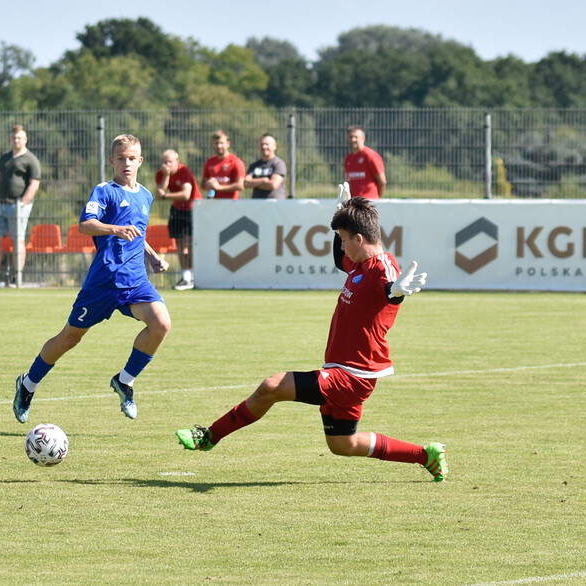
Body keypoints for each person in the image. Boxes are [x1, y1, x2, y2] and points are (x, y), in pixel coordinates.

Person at [175, 183, 446, 482]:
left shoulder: (382, 268)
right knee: (343, 444)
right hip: (346, 369)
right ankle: (426, 455)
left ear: (359, 238)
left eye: (344, 239)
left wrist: (396, 292)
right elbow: (337, 260)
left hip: (353, 374)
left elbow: (389, 290)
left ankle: (209, 436)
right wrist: (339, 215)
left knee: (272, 386)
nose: (341, 246)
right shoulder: (359, 264)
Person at [13, 134, 171, 424]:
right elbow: (85, 225)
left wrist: (152, 255)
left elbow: (138, 232)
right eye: (120, 158)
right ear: (111, 160)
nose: (126, 163)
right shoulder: (105, 191)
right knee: (69, 338)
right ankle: (27, 384)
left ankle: (125, 381)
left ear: (140, 161)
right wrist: (115, 229)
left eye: (131, 158)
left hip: (135, 280)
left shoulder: (146, 195)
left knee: (161, 324)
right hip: (103, 282)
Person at [0, 125, 41, 288]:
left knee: (18, 240)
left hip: (18, 207)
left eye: (19, 138)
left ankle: (18, 278)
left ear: (25, 139)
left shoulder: (31, 159)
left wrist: (23, 203)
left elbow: (34, 184)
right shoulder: (4, 158)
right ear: (11, 139)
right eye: (14, 138)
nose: (16, 140)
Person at [155, 149, 201, 290]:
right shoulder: (161, 174)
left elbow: (186, 195)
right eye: (165, 162)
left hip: (192, 209)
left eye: (170, 162)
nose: (167, 165)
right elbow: (158, 193)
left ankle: (193, 276)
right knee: (180, 244)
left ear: (177, 161)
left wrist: (165, 197)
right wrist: (167, 176)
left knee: (190, 244)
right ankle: (185, 277)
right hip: (177, 210)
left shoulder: (185, 171)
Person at [200, 130, 245, 200]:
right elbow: (203, 185)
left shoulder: (236, 161)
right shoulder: (209, 162)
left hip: (230, 204)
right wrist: (209, 183)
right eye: (216, 143)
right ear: (213, 144)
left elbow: (240, 185)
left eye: (221, 143)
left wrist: (219, 187)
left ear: (228, 144)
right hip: (213, 203)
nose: (219, 146)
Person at [344, 125, 386, 199]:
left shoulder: (370, 155)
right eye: (351, 137)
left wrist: (377, 198)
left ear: (363, 138)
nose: (353, 139)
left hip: (369, 201)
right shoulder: (348, 159)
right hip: (354, 202)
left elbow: (382, 181)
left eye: (356, 137)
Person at [244, 133, 287, 199]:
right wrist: (263, 180)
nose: (264, 147)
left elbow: (273, 184)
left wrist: (254, 183)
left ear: (274, 146)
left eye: (267, 144)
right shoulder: (254, 165)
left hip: (275, 205)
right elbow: (246, 183)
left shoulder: (278, 163)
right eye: (262, 144)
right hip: (257, 205)